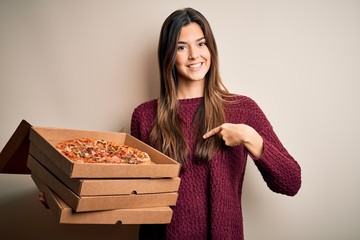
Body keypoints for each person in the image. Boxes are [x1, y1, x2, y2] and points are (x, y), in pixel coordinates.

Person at [131, 7, 301, 240]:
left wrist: (250, 137)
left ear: (211, 48)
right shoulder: (145, 115)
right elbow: (139, 201)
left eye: (201, 44)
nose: (194, 55)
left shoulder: (242, 109)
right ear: (168, 55)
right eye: (182, 47)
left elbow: (290, 183)